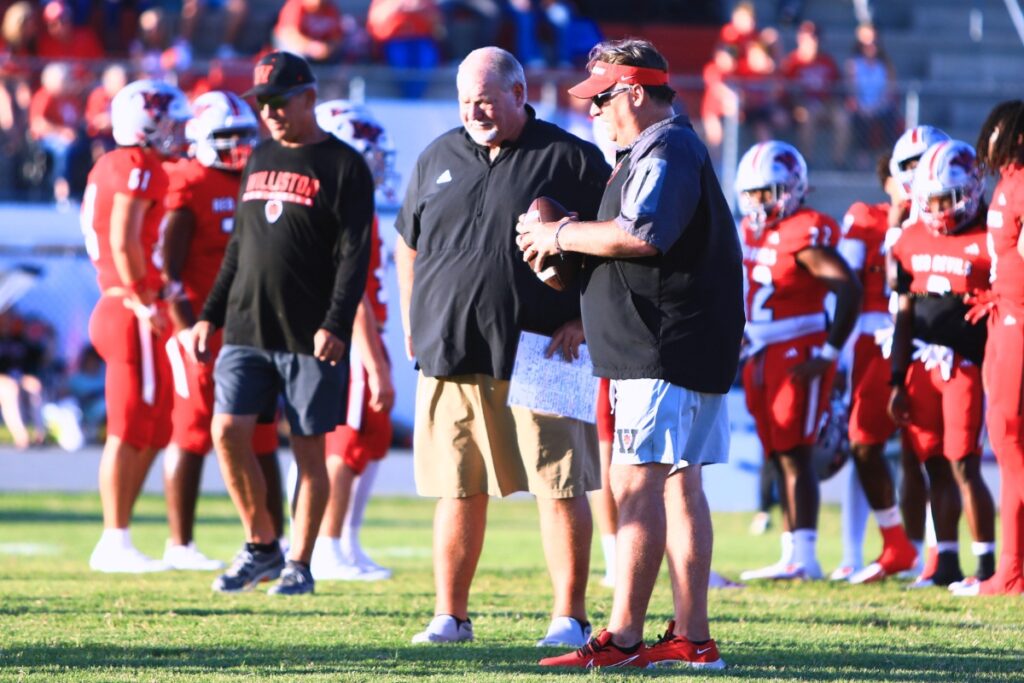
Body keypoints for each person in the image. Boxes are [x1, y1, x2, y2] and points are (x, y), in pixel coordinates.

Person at [518, 38, 744, 669]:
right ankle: (693, 639)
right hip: (678, 343)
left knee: (634, 483)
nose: (592, 111)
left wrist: (556, 232)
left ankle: (620, 638)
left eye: (602, 97)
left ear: (637, 93)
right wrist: (562, 262)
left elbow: (640, 237)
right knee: (678, 483)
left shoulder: (666, 147)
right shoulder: (660, 150)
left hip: (663, 346)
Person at [395, 46, 608, 647]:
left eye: (486, 99)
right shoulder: (438, 154)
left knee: (560, 485)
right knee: (456, 486)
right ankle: (450, 616)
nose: (475, 110)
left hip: (546, 349)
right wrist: (415, 313)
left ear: (520, 94)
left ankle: (569, 618)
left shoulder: (572, 158)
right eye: (466, 100)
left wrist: (588, 322)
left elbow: (616, 248)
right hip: (451, 352)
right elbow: (407, 242)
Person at [193, 51, 374, 595]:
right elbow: (238, 247)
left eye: (279, 101)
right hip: (247, 328)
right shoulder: (259, 155)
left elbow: (354, 255)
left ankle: (300, 561)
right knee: (227, 431)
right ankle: (261, 545)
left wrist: (337, 324)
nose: (269, 113)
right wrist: (209, 314)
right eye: (262, 103)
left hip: (308, 334)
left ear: (309, 98)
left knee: (308, 450)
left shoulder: (345, 165)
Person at [159, 90, 285, 571]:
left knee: (264, 435)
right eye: (225, 137)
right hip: (202, 329)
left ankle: (274, 541)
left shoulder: (257, 176)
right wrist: (188, 332)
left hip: (253, 327)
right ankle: (180, 543)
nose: (236, 146)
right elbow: (169, 274)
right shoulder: (187, 182)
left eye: (242, 136)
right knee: (192, 433)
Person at [735, 140, 862, 582]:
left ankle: (804, 554)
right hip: (760, 350)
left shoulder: (806, 230)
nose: (756, 202)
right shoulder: (752, 230)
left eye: (765, 192)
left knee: (795, 452)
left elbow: (848, 287)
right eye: (750, 193)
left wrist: (829, 353)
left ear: (791, 189)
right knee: (777, 451)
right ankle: (791, 552)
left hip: (797, 350)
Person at [83, 78, 192, 573]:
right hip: (129, 305)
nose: (178, 131)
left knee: (151, 425)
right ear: (143, 122)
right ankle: (114, 537)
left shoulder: (122, 163)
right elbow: (126, 241)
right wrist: (146, 297)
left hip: (129, 303)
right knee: (128, 429)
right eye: (168, 121)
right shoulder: (134, 165)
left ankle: (120, 534)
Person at [888, 140, 996, 587]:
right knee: (932, 461)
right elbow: (905, 312)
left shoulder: (991, 235)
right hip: (921, 364)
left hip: (967, 364)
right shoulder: (910, 239)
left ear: (970, 190)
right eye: (929, 199)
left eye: (946, 198)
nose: (937, 208)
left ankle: (987, 564)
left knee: (964, 463)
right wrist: (896, 377)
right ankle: (945, 561)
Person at [308, 99, 396, 581]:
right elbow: (352, 291)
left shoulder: (350, 201)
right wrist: (372, 357)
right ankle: (327, 543)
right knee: (345, 444)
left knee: (369, 439)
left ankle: (346, 540)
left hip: (360, 332)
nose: (377, 160)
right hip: (347, 334)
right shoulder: (339, 204)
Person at [833, 154, 918, 584]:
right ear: (887, 177)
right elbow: (847, 282)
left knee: (923, 449)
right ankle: (852, 551)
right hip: (870, 338)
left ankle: (931, 552)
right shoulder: (864, 217)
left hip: (923, 337)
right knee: (860, 445)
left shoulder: (937, 221)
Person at [952, 100, 1024, 596]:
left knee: (1010, 442)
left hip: (1019, 319)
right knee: (1006, 445)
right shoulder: (1007, 182)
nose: (991, 136)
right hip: (1003, 316)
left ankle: (1013, 571)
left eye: (1000, 129)